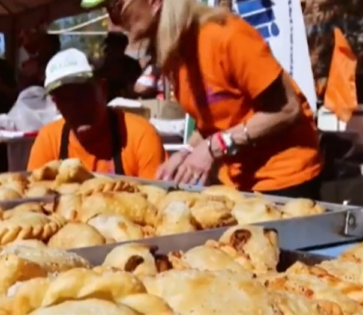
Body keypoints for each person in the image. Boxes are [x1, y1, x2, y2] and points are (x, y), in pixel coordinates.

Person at [81, 0, 323, 199]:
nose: (112, 19)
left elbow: (287, 109)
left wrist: (214, 148)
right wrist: (186, 152)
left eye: (116, 5)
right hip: (237, 184)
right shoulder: (174, 53)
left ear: (154, 3)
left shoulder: (225, 35)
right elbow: (213, 123)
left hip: (286, 181)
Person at [27, 48, 165, 179]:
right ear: (55, 103)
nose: (75, 105)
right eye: (64, 98)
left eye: (82, 93)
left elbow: (157, 198)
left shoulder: (139, 135)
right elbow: (34, 197)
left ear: (103, 89)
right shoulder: (49, 140)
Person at [94, 32, 143, 101]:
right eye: (110, 45)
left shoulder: (132, 64)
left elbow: (136, 87)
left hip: (126, 103)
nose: (108, 48)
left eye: (116, 46)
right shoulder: (98, 65)